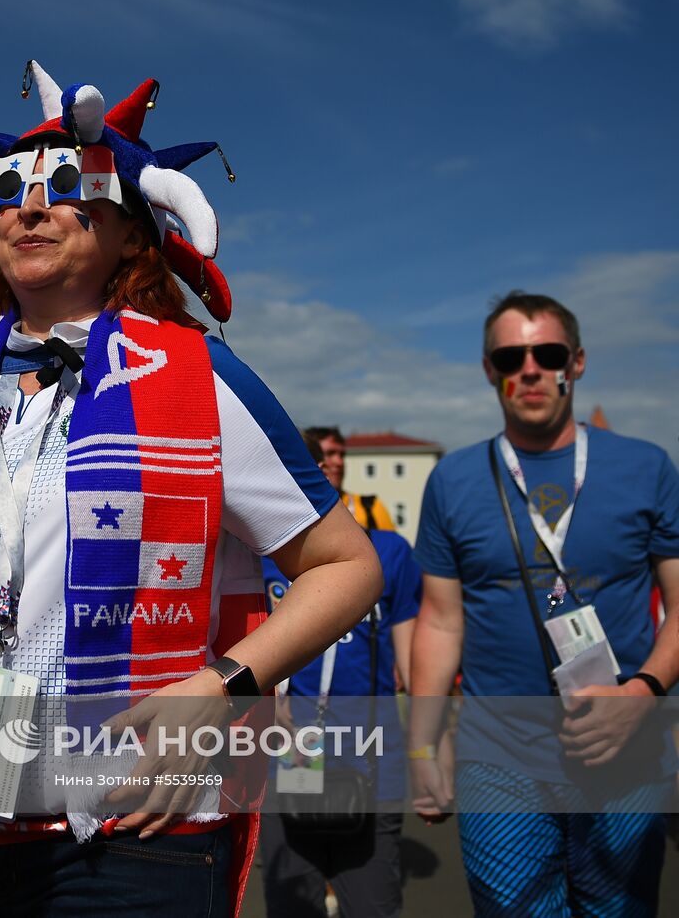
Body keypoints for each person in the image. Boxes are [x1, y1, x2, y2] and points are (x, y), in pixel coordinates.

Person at [0, 61, 381, 917]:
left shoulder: (198, 380)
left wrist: (222, 687)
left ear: (132, 229)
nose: (27, 208)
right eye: (6, 191)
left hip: (133, 836)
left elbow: (347, 566)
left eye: (68, 186)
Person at [409, 291, 679, 915]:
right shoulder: (453, 479)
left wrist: (642, 694)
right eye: (509, 357)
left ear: (576, 362)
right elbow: (440, 620)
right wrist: (424, 747)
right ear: (490, 371)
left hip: (629, 757)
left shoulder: (648, 468)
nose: (528, 369)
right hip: (497, 759)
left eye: (547, 353)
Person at [260, 434, 421, 918]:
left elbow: (414, 669)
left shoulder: (388, 553)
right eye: (315, 458)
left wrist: (429, 749)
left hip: (372, 768)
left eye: (335, 457)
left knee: (372, 907)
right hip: (284, 766)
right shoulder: (261, 553)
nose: (327, 465)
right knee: (293, 908)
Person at [304, 426, 396, 532]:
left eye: (342, 455)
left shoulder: (371, 507)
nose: (339, 462)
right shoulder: (296, 511)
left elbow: (393, 546)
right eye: (329, 453)